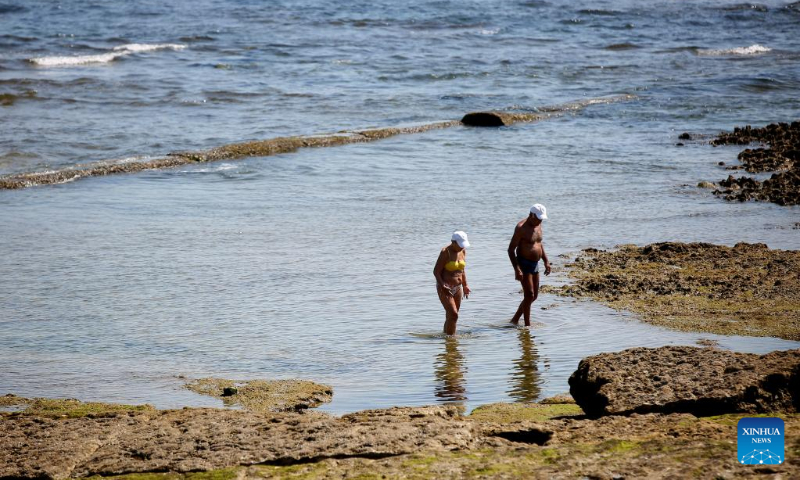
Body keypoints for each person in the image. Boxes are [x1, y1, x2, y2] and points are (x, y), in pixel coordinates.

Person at [508, 204, 551, 326]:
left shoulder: (538, 224)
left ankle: (515, 320)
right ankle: (527, 326)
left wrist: (546, 261)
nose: (540, 220)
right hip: (523, 263)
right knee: (529, 295)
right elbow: (511, 250)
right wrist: (517, 269)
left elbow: (539, 244)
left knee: (534, 296)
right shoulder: (521, 228)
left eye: (542, 218)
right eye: (538, 218)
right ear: (531, 215)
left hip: (535, 263)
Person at [433, 231, 471, 335]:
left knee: (452, 316)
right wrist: (442, 285)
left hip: (458, 288)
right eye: (460, 245)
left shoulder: (462, 251)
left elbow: (462, 270)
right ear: (453, 242)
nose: (462, 247)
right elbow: (436, 271)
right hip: (445, 288)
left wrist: (465, 285)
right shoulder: (446, 252)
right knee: (453, 314)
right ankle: (452, 339)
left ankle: (447, 340)